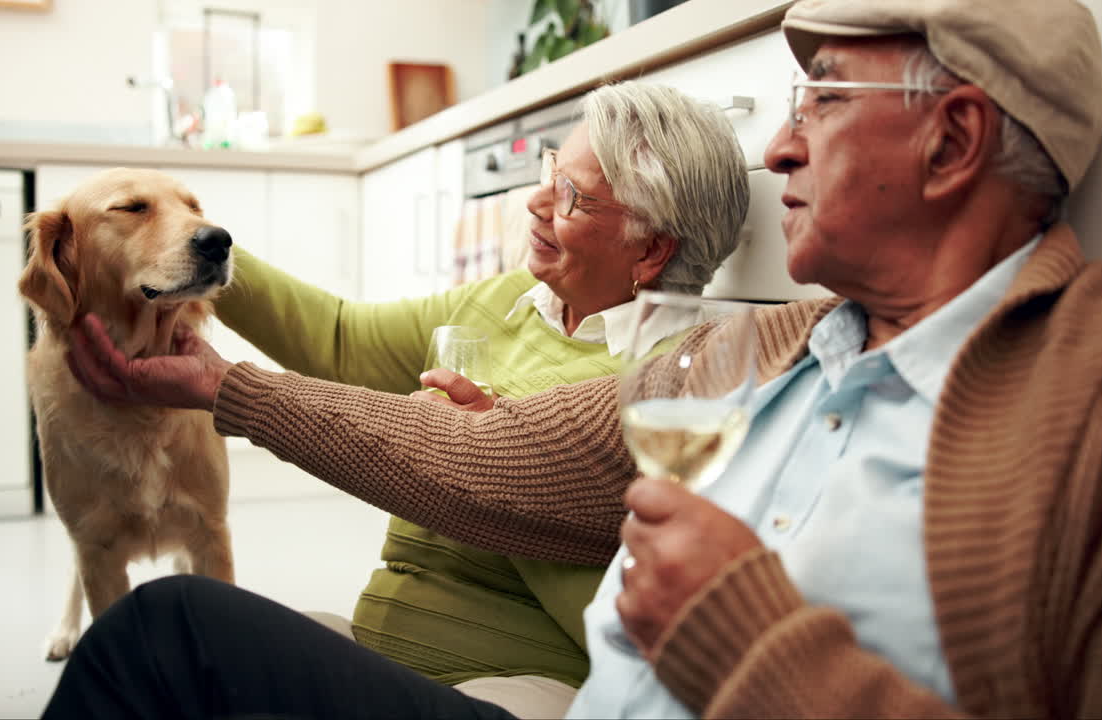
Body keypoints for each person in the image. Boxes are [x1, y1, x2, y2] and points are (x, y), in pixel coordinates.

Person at [47, 0, 1102, 717]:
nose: (778, 146)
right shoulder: (756, 349)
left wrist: (747, 641)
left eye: (826, 98)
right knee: (168, 637)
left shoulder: (1095, 405)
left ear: (950, 140)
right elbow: (491, 459)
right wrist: (217, 386)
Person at [57, 80, 750, 719]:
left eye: (572, 195)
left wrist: (486, 465)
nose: (536, 201)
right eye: (549, 171)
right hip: (381, 653)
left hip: (520, 686)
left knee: (172, 626)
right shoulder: (510, 301)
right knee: (153, 657)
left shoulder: (667, 383)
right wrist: (188, 254)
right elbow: (338, 336)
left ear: (651, 251)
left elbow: (630, 620)